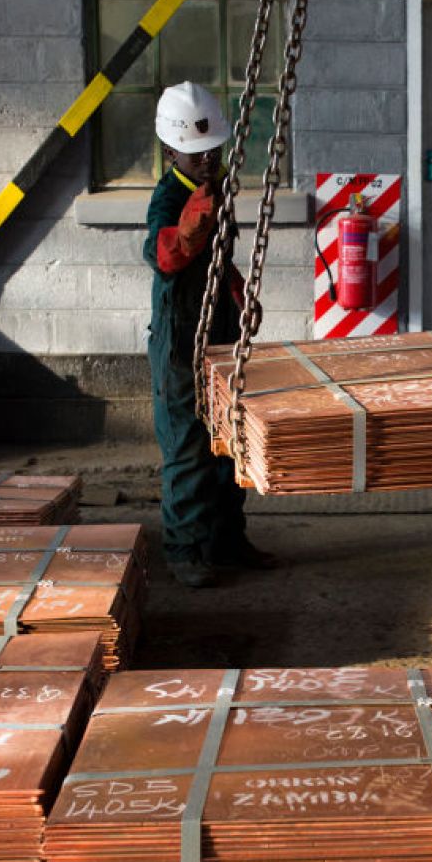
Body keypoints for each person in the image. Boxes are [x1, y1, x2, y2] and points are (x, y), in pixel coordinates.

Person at [144, 81, 274, 587]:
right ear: (169, 150)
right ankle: (184, 553)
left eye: (212, 151)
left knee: (227, 446)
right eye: (195, 154)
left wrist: (240, 293)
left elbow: (221, 261)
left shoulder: (216, 187)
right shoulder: (170, 196)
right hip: (180, 344)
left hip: (218, 334)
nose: (206, 160)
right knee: (187, 450)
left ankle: (226, 542)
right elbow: (160, 256)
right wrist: (187, 233)